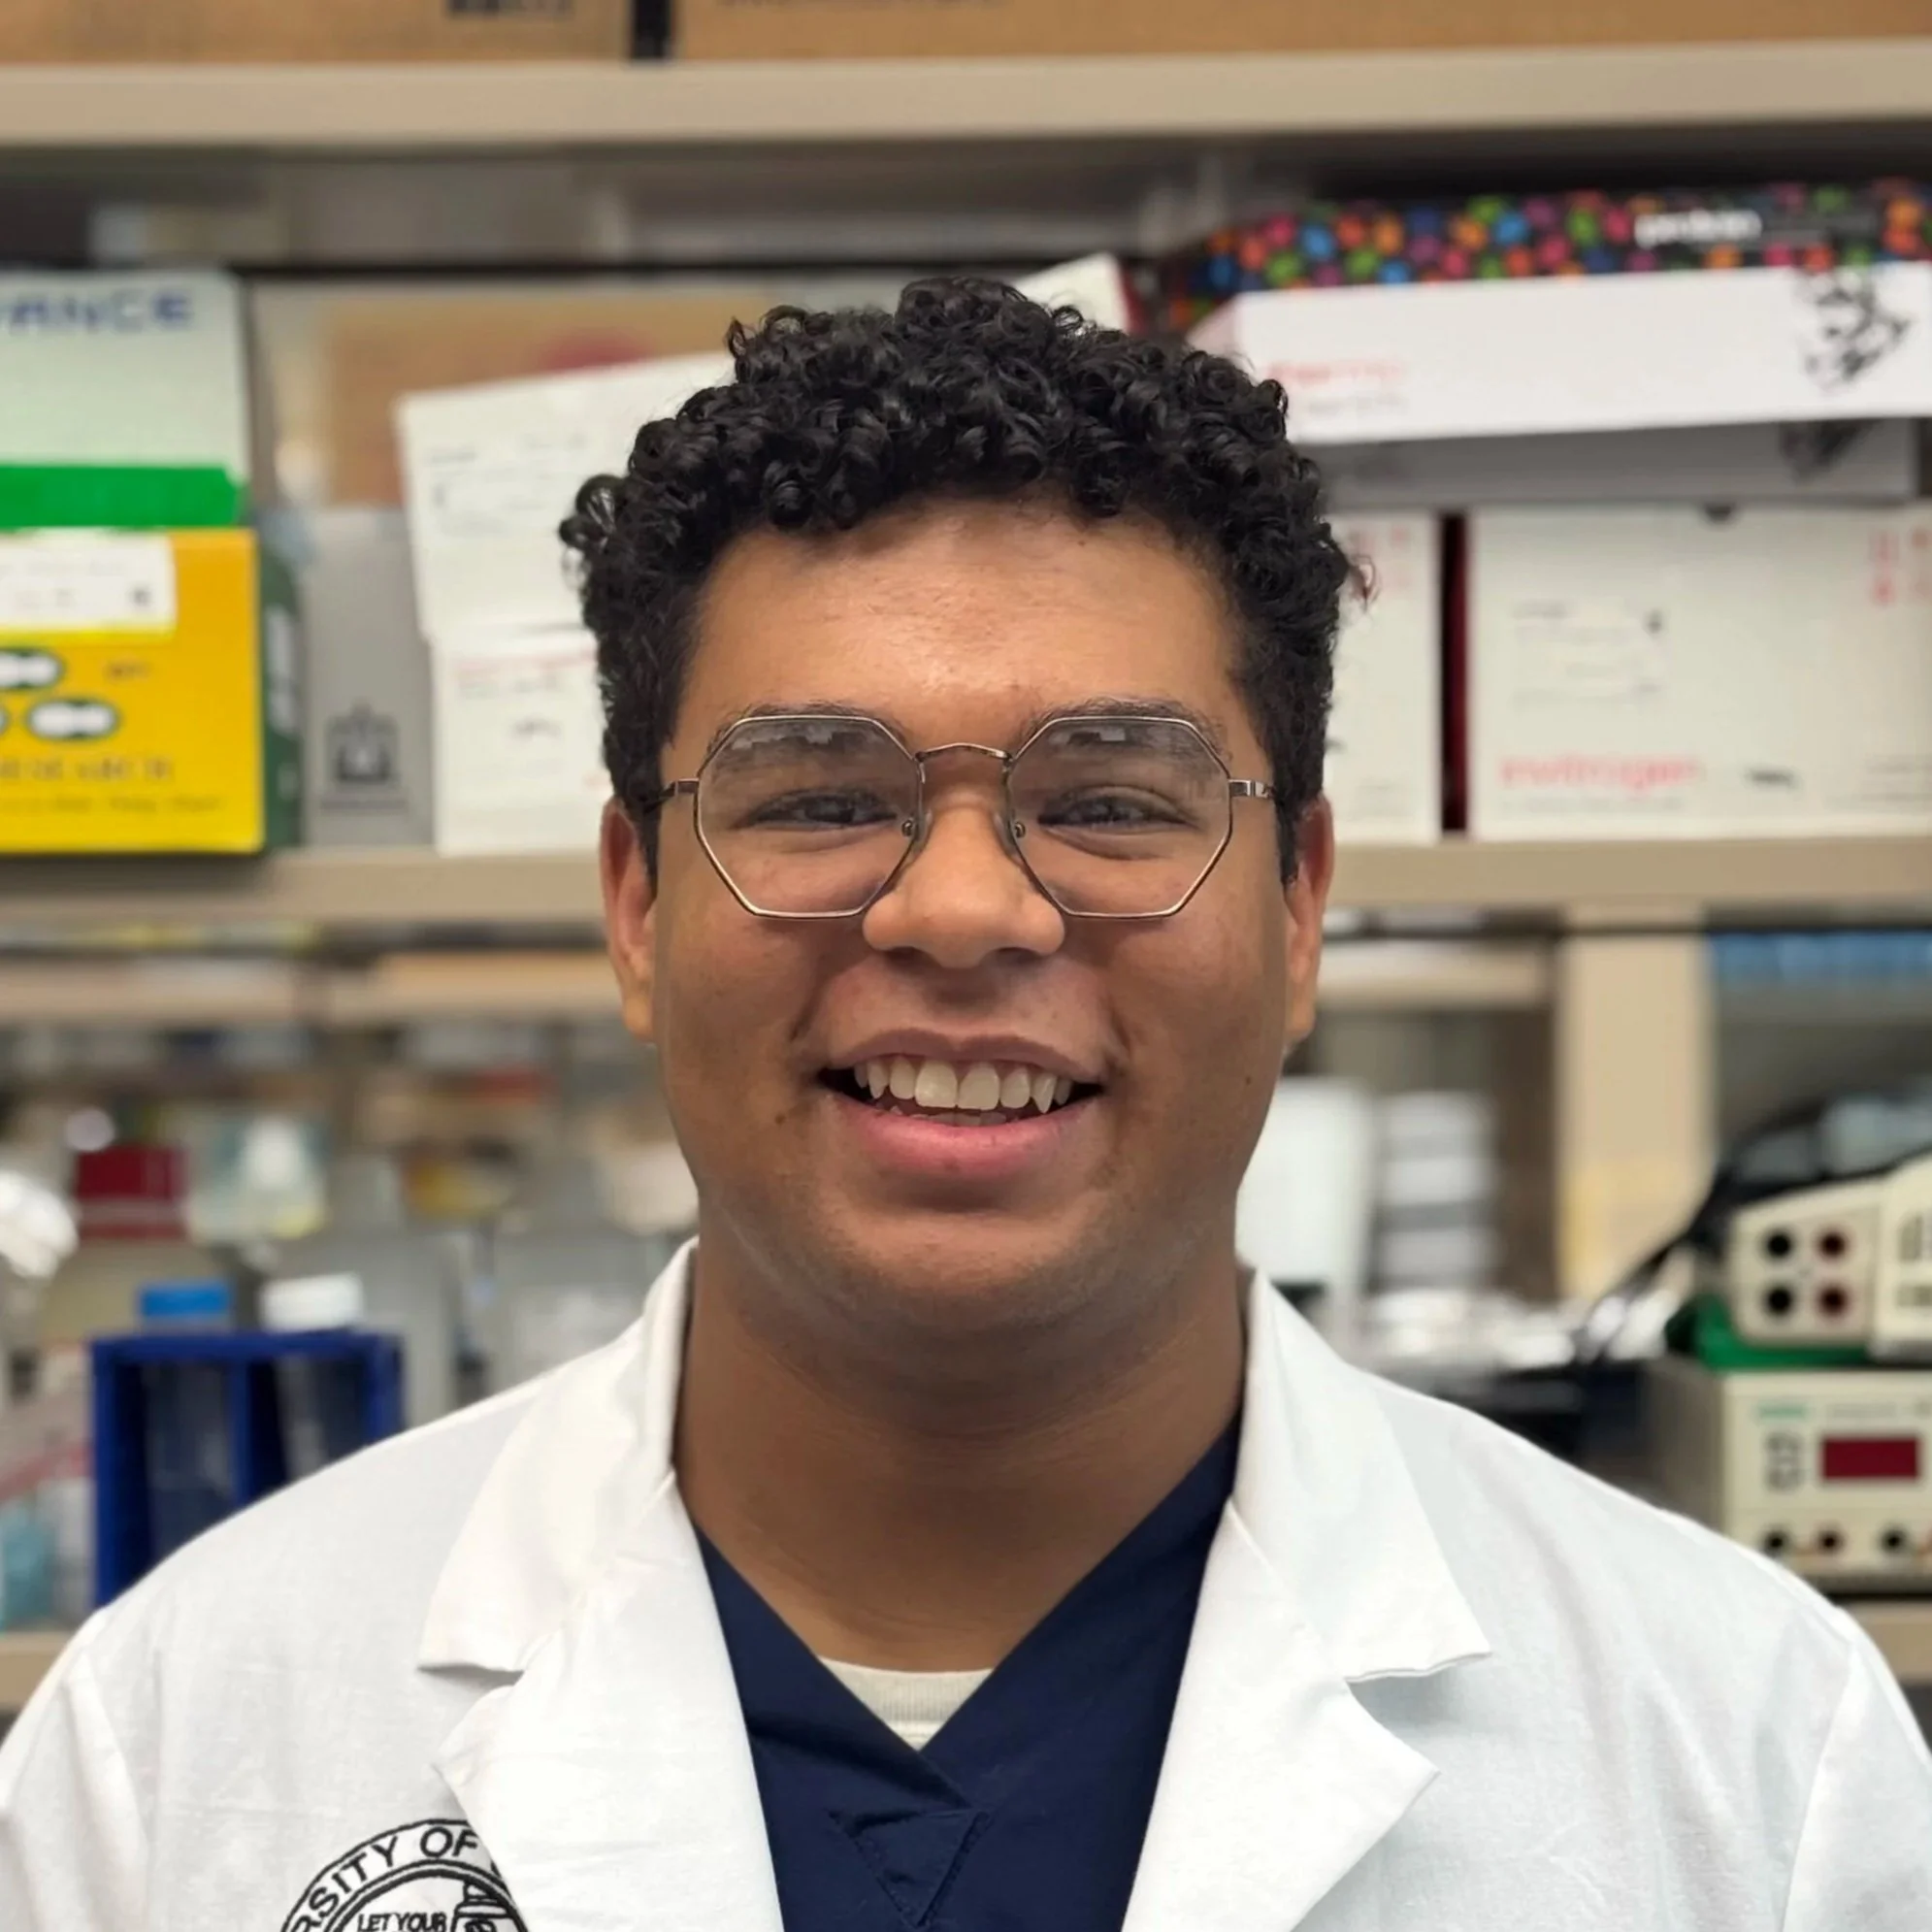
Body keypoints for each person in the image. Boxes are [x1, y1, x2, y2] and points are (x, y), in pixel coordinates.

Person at [2, 280, 1928, 1931]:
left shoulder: (1743, 1750)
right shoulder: (185, 1734)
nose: (958, 907)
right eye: (816, 790)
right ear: (632, 903)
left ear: (1301, 897)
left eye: (1109, 795)